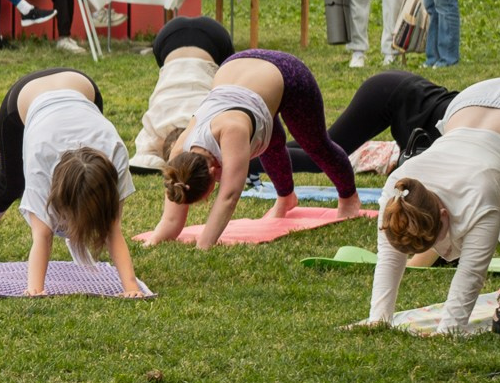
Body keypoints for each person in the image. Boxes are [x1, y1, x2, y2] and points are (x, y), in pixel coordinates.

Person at [139, 49, 362, 249]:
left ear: (211, 172)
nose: (208, 201)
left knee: (316, 146)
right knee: (270, 144)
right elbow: (170, 219)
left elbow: (229, 195)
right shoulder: (179, 157)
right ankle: (286, 198)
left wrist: (204, 244)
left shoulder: (232, 131)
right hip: (240, 73)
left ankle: (349, 198)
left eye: (206, 197)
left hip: (286, 73)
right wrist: (154, 239)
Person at [0, 69, 143, 298]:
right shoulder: (41, 157)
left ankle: (74, 238)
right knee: (10, 185)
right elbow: (43, 233)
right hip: (26, 99)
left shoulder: (115, 153)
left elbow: (112, 227)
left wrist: (131, 289)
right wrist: (35, 289)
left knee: (91, 210)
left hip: (82, 86)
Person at [362, 79, 500, 335]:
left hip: (475, 111)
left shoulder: (481, 194)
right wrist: (379, 318)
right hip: (468, 105)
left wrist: (450, 330)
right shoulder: (399, 188)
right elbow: (389, 258)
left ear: (443, 214)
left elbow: (470, 274)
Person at [286, 71, 460, 176]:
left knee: (320, 147)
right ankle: (259, 156)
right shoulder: (473, 136)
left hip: (399, 90)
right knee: (323, 159)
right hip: (388, 93)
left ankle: (265, 148)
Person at [132, 16, 235, 171]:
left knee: (226, 73)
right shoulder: (156, 127)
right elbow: (142, 158)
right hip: (168, 37)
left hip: (212, 39)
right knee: (169, 71)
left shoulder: (207, 129)